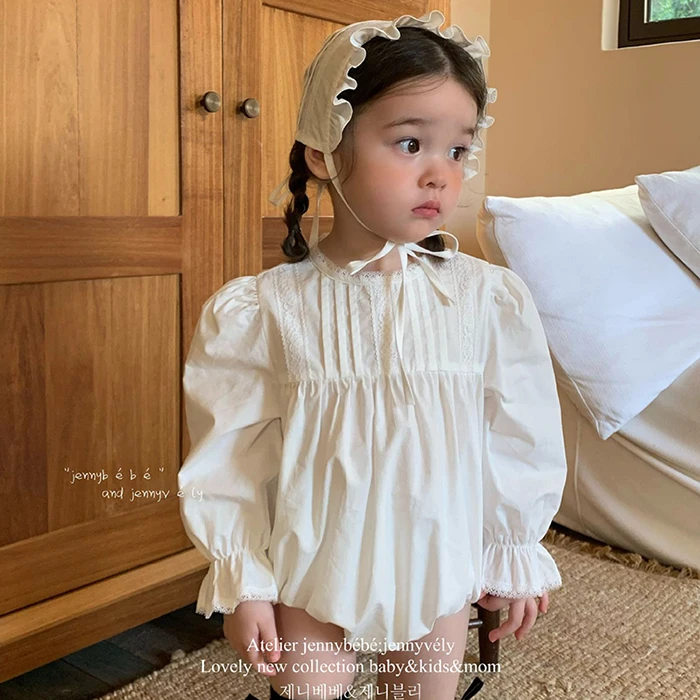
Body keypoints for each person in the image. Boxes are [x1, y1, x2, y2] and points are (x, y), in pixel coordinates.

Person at [177, 10, 567, 700]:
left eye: (458, 150)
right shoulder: (262, 311)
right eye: (411, 144)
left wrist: (512, 550)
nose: (439, 174)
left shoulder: (487, 300)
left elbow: (519, 434)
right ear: (323, 152)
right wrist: (245, 580)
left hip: (439, 567)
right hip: (310, 567)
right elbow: (233, 456)